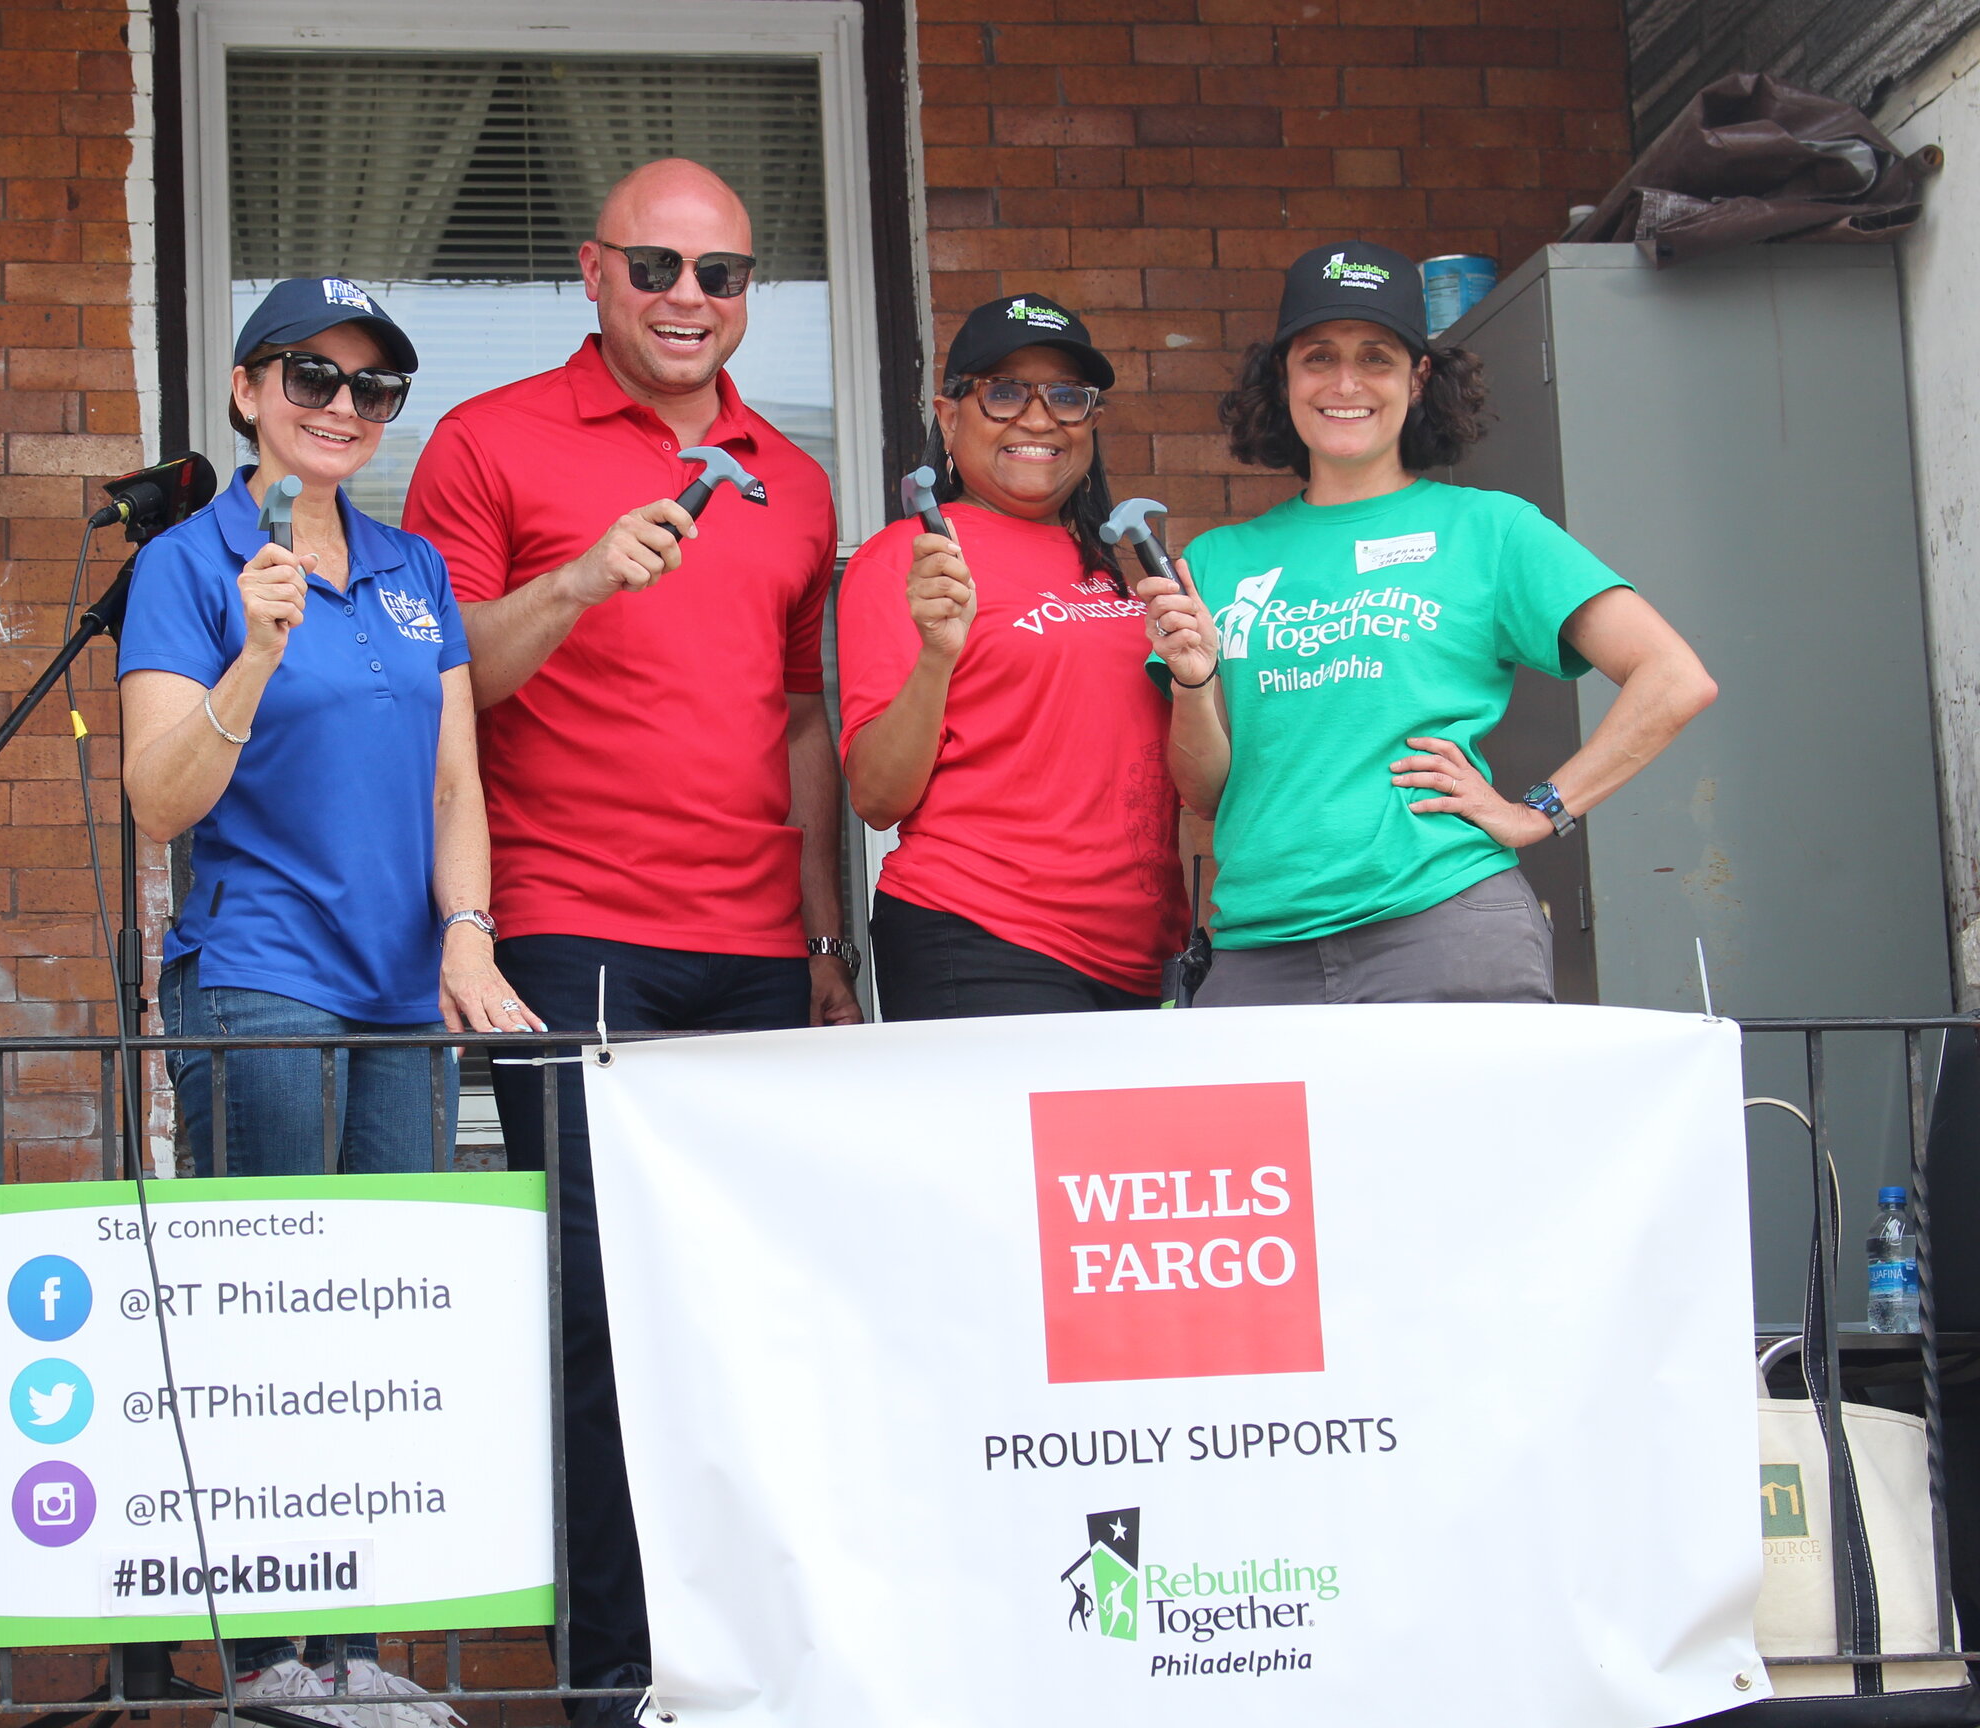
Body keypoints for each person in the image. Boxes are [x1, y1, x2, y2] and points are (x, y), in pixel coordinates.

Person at [401, 158, 859, 1719]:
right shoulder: (487, 441)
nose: (687, 300)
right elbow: (438, 680)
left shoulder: (789, 480)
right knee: (604, 1330)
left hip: (752, 949)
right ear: (592, 274)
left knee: (752, 1323)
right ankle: (612, 1684)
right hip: (573, 930)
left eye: (721, 275)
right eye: (657, 268)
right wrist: (581, 582)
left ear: (752, 298)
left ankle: (752, 1671)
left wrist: (822, 943)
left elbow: (802, 721)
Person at [118, 277, 528, 1726]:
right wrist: (259, 650)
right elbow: (158, 803)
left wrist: (467, 942)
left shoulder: (417, 570)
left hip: (404, 999)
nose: (341, 408)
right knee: (269, 1320)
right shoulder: (190, 561)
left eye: (372, 388)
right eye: (311, 376)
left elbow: (455, 785)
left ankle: (346, 1651)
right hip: (261, 984)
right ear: (245, 391)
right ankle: (269, 1663)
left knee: (376, 1329)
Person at [1139, 240, 1717, 1005]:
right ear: (1283, 377)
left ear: (1418, 379)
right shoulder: (1216, 562)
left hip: (1443, 930)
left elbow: (1674, 679)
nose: (1345, 383)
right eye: (1318, 357)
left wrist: (1538, 811)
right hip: (1258, 952)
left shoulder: (1490, 530)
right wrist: (1194, 683)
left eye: (1375, 357)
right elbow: (1208, 795)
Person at [838, 293, 1187, 1017]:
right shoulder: (909, 560)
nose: (1037, 418)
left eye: (1066, 396)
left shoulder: (1123, 567)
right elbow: (876, 797)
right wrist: (938, 655)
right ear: (949, 413)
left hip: (1141, 951)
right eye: (1003, 392)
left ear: (1092, 420)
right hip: (980, 935)